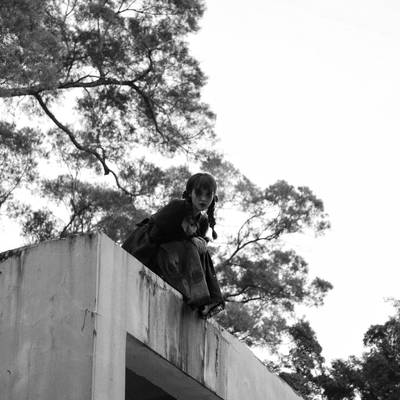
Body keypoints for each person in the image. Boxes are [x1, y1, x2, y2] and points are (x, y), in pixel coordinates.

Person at [122, 173, 224, 317]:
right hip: (147, 250)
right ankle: (198, 294)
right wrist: (190, 239)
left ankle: (206, 299)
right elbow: (157, 235)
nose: (203, 199)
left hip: (172, 259)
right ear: (190, 193)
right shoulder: (177, 207)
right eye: (199, 193)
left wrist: (199, 242)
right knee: (192, 245)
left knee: (202, 249)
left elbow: (193, 252)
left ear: (213, 197)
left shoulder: (203, 222)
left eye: (208, 195)